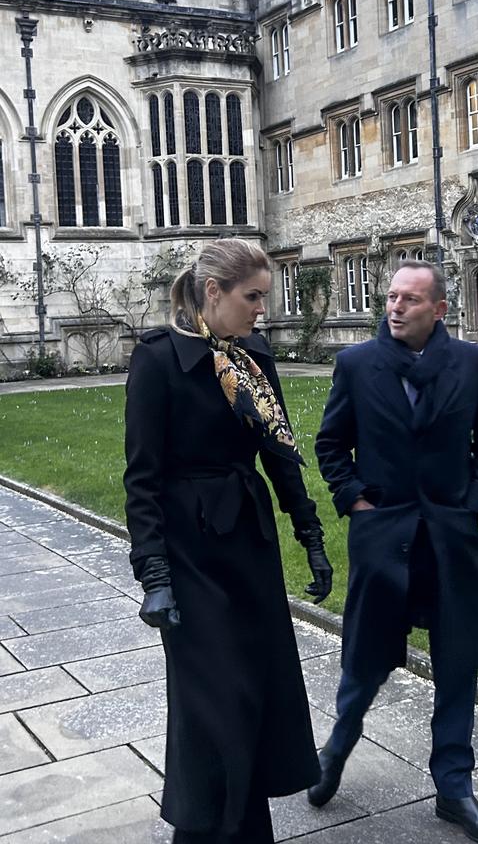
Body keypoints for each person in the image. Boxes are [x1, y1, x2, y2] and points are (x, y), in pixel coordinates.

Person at [123, 238, 332, 844]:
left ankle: (242, 831)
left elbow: (279, 452)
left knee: (253, 698)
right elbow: (142, 478)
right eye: (252, 297)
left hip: (249, 548)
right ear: (212, 293)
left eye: (264, 297)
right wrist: (155, 576)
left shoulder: (254, 358)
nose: (261, 309)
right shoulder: (158, 360)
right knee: (215, 706)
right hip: (190, 557)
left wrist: (309, 534)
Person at [311, 260, 478, 844]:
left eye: (410, 300)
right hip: (383, 539)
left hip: (450, 540)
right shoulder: (356, 365)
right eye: (391, 297)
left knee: (457, 663)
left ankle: (454, 789)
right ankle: (335, 752)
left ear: (439, 310)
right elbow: (330, 444)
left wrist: (471, 503)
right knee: (366, 658)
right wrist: (355, 504)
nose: (395, 307)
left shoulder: (472, 365)